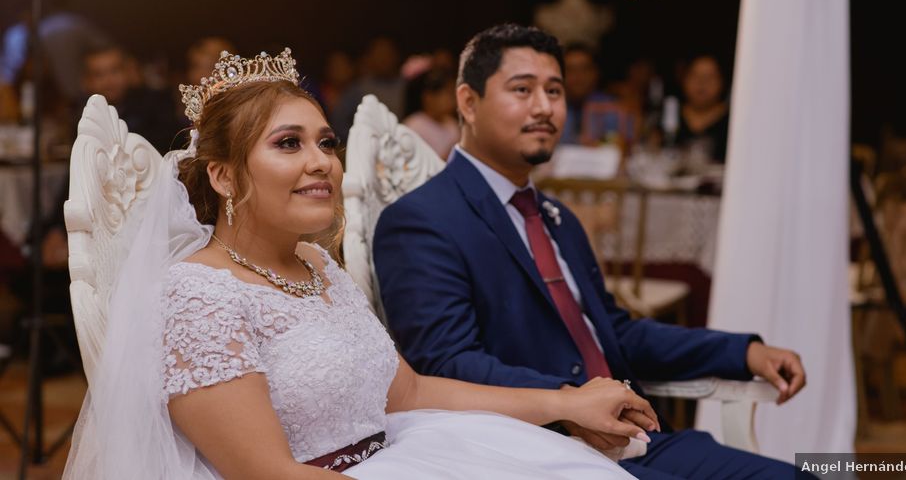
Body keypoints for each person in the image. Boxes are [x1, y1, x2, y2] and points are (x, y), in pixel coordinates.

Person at [64, 48, 658, 479]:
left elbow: (411, 392)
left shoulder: (318, 267)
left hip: (404, 452)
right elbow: (267, 474)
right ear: (222, 175)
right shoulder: (200, 295)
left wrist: (565, 401)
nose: (322, 161)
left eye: (326, 142)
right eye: (288, 143)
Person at [374, 24, 812, 479]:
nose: (544, 107)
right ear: (468, 101)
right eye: (522, 90)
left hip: (639, 442)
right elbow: (447, 363)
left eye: (554, 90)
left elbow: (615, 333)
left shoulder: (554, 216)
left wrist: (742, 353)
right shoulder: (423, 219)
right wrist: (569, 400)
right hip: (541, 452)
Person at [82, 45, 184, 155]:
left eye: (114, 71)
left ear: (129, 72)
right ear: (87, 81)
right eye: (98, 75)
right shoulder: (84, 115)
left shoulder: (156, 103)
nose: (108, 80)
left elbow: (174, 141)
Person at [672, 55, 730, 163]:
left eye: (710, 77)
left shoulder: (733, 122)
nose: (702, 83)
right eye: (695, 75)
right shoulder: (667, 116)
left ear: (722, 81)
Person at [403, 64, 459, 159]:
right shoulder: (413, 126)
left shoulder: (452, 124)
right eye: (448, 93)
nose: (452, 99)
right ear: (428, 97)